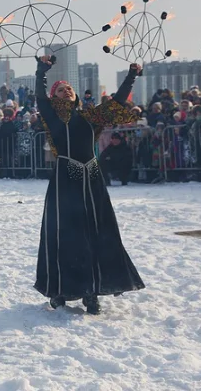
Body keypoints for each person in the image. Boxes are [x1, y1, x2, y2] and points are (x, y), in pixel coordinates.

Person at [34, 55, 145, 314]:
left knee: (97, 234)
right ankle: (61, 289)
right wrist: (42, 70)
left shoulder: (90, 117)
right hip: (65, 181)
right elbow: (40, 97)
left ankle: (92, 290)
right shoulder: (52, 116)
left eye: (69, 88)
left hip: (92, 179)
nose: (66, 91)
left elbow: (117, 102)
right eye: (61, 89)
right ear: (55, 96)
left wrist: (131, 76)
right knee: (65, 236)